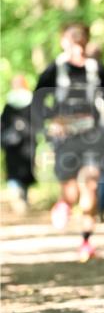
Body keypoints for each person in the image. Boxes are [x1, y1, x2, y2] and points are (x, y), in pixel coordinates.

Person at [33, 23, 104, 261]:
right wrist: (50, 121)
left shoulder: (95, 68)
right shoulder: (55, 69)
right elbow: (37, 101)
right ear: (64, 44)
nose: (77, 49)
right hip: (65, 137)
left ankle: (86, 241)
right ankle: (64, 204)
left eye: (81, 44)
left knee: (90, 184)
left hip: (91, 135)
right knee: (70, 191)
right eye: (73, 44)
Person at [1, 75, 36, 213]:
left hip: (13, 144)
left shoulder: (9, 104)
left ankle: (19, 197)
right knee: (25, 171)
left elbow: (3, 124)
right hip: (26, 143)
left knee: (15, 171)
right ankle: (21, 197)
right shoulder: (31, 101)